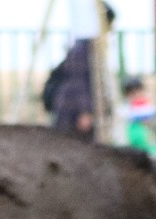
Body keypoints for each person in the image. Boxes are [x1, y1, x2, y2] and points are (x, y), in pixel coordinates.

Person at [42, 3, 114, 140]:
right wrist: (85, 110)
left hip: (75, 108)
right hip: (73, 110)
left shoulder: (90, 47)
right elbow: (78, 79)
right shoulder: (85, 49)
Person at [120, 75, 156, 154]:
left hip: (148, 143)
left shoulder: (148, 108)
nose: (136, 95)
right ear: (127, 95)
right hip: (132, 144)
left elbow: (153, 123)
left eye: (138, 91)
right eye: (132, 93)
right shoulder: (126, 109)